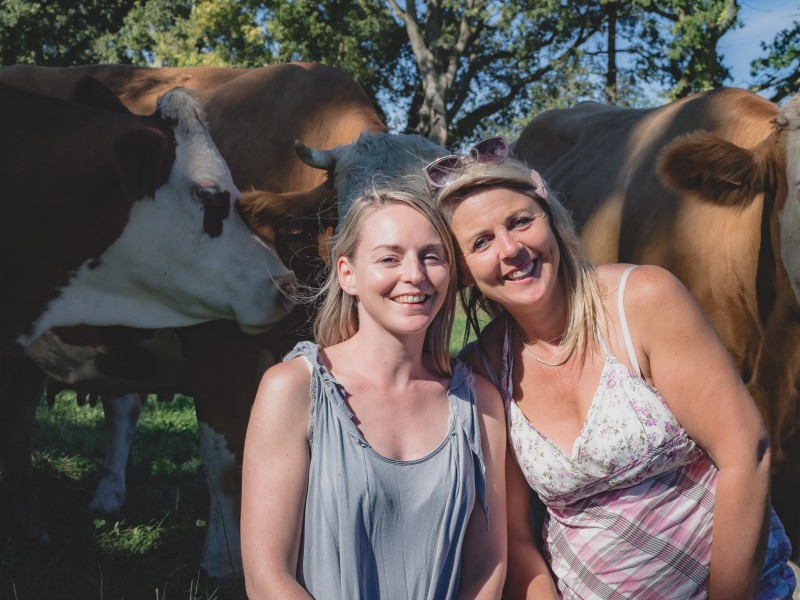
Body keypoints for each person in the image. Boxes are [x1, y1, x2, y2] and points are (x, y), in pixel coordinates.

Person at [427, 137, 797, 599]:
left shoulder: (641, 300)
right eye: (481, 242)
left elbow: (747, 452)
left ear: (550, 217)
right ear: (462, 270)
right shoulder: (481, 369)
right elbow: (516, 536)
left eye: (521, 221)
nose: (510, 248)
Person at [240, 187, 507, 599]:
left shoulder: (480, 404)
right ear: (348, 274)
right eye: (389, 257)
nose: (415, 274)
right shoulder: (294, 390)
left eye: (431, 256)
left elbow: (487, 566)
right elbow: (266, 578)